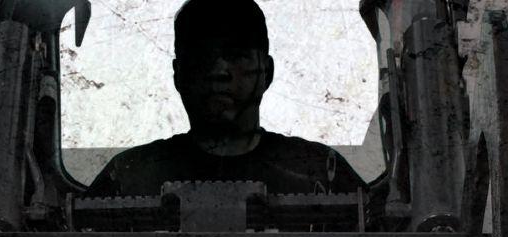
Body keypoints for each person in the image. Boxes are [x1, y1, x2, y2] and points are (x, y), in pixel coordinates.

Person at [84, 0, 367, 197]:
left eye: (236, 55)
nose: (219, 71)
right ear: (178, 74)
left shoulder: (322, 173)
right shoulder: (127, 178)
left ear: (267, 72)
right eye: (201, 57)